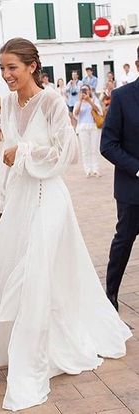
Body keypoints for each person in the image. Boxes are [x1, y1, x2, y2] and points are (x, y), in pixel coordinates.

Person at [0, 38, 131, 412]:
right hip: (21, 198)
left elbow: (68, 153)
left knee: (34, 272)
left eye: (12, 67)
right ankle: (37, 340)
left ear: (32, 66)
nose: (6, 75)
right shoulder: (10, 103)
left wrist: (24, 152)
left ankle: (33, 360)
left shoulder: (52, 101)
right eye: (1, 69)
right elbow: (5, 159)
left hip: (49, 198)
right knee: (15, 269)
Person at [100, 56, 139, 312]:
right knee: (123, 241)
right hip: (132, 190)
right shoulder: (123, 96)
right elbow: (107, 145)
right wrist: (137, 168)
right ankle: (110, 296)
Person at [73, 84, 103, 177]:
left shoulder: (94, 100)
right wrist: (81, 101)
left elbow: (98, 110)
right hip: (83, 127)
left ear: (90, 91)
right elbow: (76, 113)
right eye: (82, 90)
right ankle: (88, 170)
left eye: (86, 90)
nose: (84, 92)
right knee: (85, 150)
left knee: (94, 148)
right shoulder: (78, 102)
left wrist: (89, 100)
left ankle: (96, 169)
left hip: (93, 126)